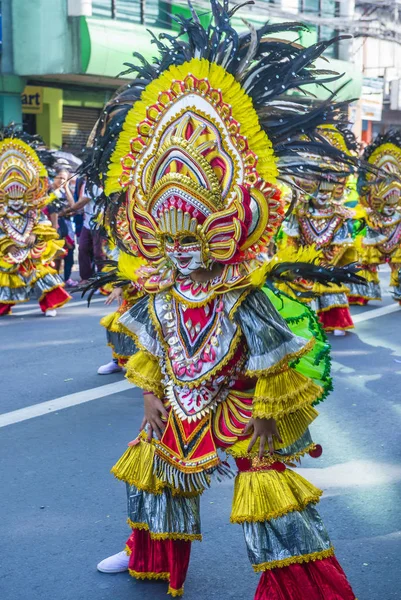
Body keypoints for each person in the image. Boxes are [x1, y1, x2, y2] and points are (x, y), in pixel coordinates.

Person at [86, 4, 364, 598]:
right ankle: (150, 554)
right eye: (169, 240)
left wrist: (266, 410)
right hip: (180, 400)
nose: (181, 253)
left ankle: (303, 586)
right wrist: (149, 396)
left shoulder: (245, 289)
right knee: (151, 473)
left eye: (192, 238)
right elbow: (155, 349)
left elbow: (273, 358)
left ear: (222, 229)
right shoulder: (161, 287)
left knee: (271, 499)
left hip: (239, 403)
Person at [280, 126, 359, 336]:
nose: (324, 196)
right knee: (296, 288)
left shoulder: (339, 214)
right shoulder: (299, 212)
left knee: (330, 285)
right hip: (303, 262)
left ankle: (333, 319)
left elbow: (341, 242)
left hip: (327, 262)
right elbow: (291, 240)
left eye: (328, 191)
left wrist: (327, 261)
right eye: (320, 191)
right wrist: (298, 260)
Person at [0, 129, 71, 316]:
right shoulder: (2, 212)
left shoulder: (32, 210)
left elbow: (43, 222)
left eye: (19, 196)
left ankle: (50, 304)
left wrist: (34, 234)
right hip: (12, 246)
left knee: (41, 272)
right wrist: (7, 246)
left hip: (32, 245)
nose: (16, 202)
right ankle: (3, 306)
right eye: (11, 197)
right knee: (5, 274)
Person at [353, 130, 401, 304]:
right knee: (365, 260)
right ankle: (362, 292)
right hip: (375, 220)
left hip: (396, 226)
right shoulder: (370, 208)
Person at [64, 177, 104, 284]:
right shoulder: (84, 183)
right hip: (87, 223)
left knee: (99, 253)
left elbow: (81, 202)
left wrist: (68, 210)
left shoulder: (95, 183)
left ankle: (104, 279)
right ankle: (86, 278)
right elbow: (81, 205)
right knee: (82, 249)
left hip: (100, 224)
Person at [47, 167, 78, 288]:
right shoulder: (48, 191)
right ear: (54, 178)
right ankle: (52, 277)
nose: (61, 180)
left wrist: (66, 189)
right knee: (53, 252)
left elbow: (73, 206)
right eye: (59, 177)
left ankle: (67, 278)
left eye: (64, 179)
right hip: (51, 225)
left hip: (67, 226)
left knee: (69, 251)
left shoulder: (66, 191)